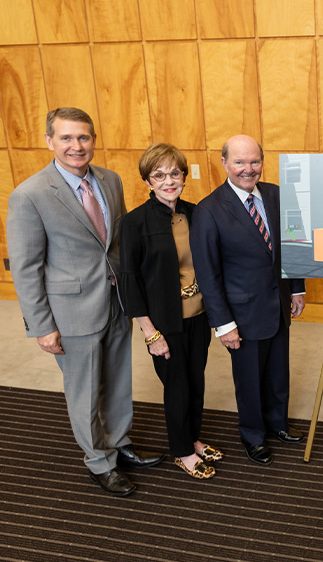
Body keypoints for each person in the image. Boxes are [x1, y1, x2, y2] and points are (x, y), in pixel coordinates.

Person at [7, 107, 164, 497]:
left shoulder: (109, 181)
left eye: (84, 137)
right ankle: (99, 461)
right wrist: (41, 326)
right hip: (71, 312)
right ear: (49, 141)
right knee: (85, 389)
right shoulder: (29, 195)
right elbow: (26, 268)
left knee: (118, 380)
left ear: (93, 139)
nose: (77, 146)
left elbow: (119, 243)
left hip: (116, 301)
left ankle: (120, 442)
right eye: (66, 138)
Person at [190, 135, 306, 466]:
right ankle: (253, 435)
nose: (248, 169)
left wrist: (297, 288)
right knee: (250, 380)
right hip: (241, 314)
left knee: (278, 372)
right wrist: (223, 324)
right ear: (224, 163)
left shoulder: (275, 194)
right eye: (240, 162)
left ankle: (278, 424)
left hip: (278, 304)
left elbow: (291, 245)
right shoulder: (209, 210)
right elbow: (208, 276)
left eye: (254, 161)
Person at [118, 143, 221, 479]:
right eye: (158, 175)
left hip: (198, 315)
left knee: (196, 381)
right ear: (148, 181)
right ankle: (181, 451)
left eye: (174, 173)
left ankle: (192, 439)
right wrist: (150, 333)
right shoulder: (134, 222)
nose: (168, 180)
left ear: (183, 176)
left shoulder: (194, 213)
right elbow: (130, 281)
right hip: (164, 323)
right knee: (176, 387)